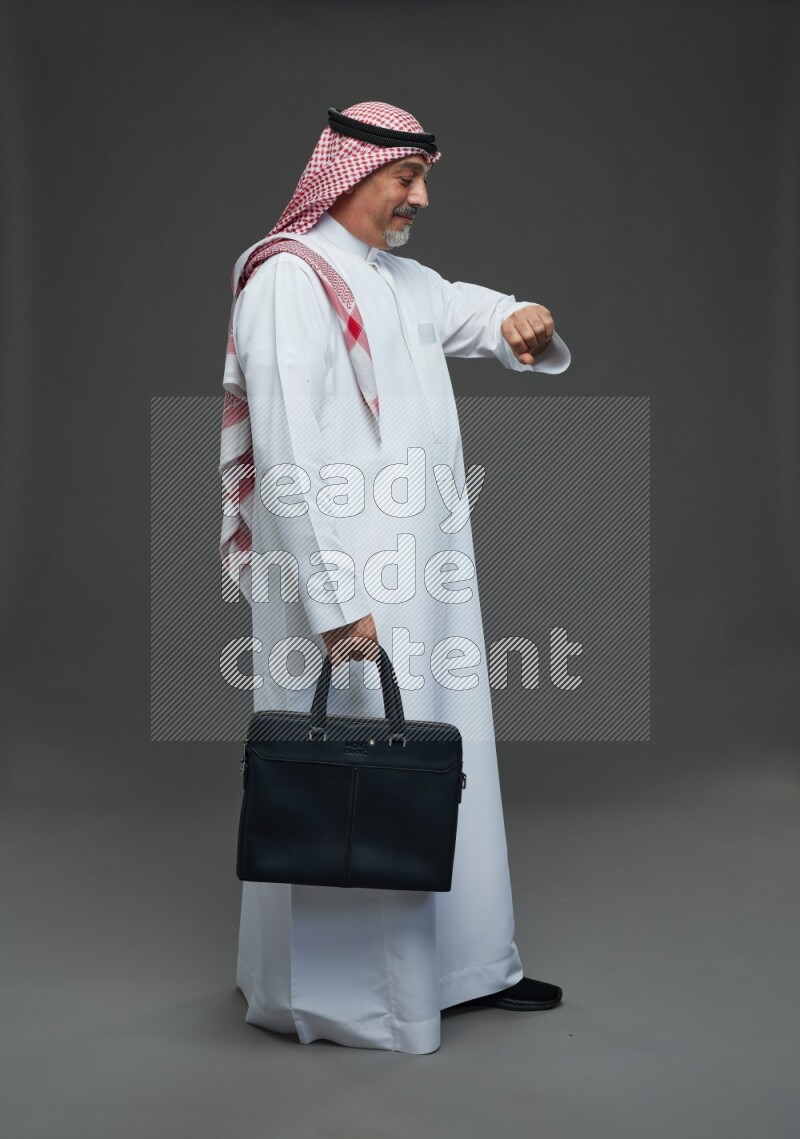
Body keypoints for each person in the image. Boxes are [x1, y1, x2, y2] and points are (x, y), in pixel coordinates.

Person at [218, 101, 572, 1054]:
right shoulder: (291, 282)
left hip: (426, 573)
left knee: (440, 761)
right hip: (343, 581)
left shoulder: (400, 281)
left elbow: (470, 310)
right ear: (345, 172)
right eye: (401, 178)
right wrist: (336, 608)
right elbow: (286, 452)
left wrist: (517, 321)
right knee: (350, 775)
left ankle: (464, 968)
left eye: (425, 179)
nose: (418, 196)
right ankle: (359, 1000)